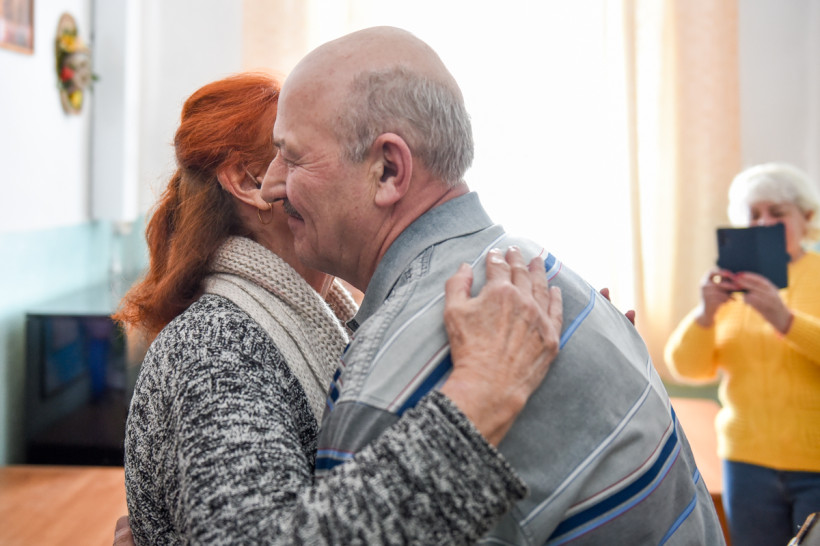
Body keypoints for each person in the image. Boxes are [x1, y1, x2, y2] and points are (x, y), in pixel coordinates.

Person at [260, 25, 725, 544]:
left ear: (389, 169)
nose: (270, 184)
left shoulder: (389, 381)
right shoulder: (544, 269)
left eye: (292, 156)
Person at [114, 71, 564, 545]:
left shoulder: (333, 322)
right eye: (289, 153)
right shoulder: (214, 346)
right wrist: (481, 398)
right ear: (249, 181)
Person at [665, 162, 820, 546]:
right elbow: (687, 368)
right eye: (754, 214)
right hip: (746, 463)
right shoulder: (732, 285)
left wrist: (785, 320)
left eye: (777, 213)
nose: (763, 222)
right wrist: (705, 314)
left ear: (806, 218)